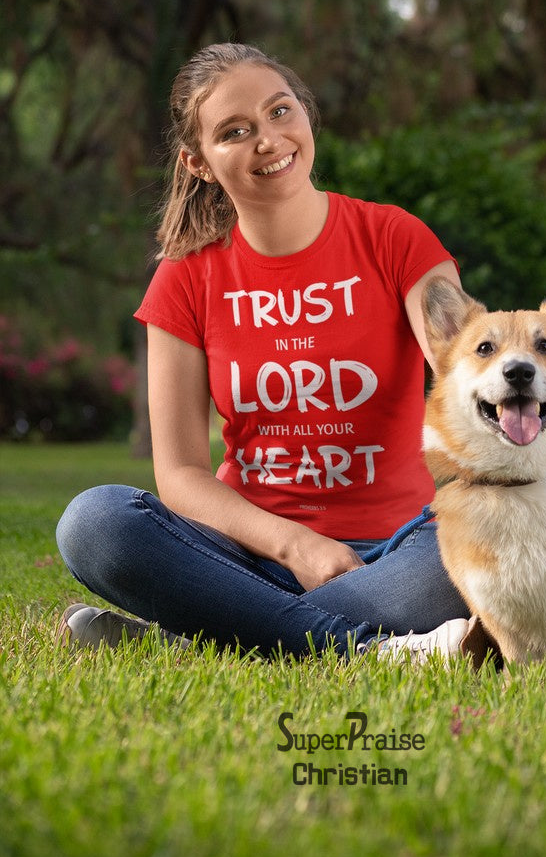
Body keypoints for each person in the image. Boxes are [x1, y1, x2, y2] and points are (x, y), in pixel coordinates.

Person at [56, 42, 471, 661]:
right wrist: (295, 545)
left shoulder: (396, 238)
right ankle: (360, 648)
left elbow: (465, 374)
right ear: (198, 162)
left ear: (303, 112)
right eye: (235, 131)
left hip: (400, 550)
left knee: (470, 550)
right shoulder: (184, 277)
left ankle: (202, 635)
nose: (269, 140)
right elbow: (181, 475)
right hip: (243, 554)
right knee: (94, 523)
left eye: (280, 112)